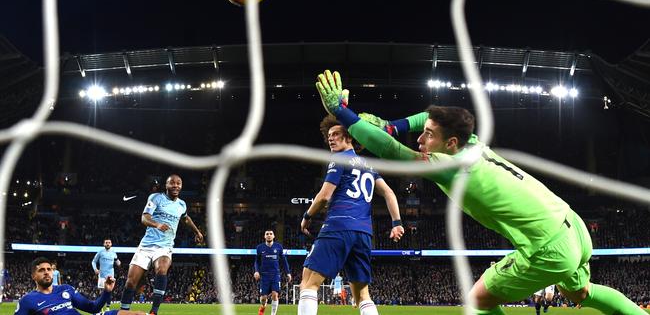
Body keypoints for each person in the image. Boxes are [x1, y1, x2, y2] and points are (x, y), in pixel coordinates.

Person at [316, 69, 646, 315]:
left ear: (451, 144)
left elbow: (391, 151)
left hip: (550, 247)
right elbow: (429, 117)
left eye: (428, 136)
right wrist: (395, 125)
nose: (421, 139)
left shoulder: (450, 164)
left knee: (479, 299)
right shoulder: (474, 145)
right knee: (581, 294)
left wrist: (346, 114)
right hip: (573, 228)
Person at [297, 114, 405, 315]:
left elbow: (324, 196)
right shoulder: (370, 166)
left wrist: (307, 216)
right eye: (329, 135)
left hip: (338, 227)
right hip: (363, 234)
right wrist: (396, 222)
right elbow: (389, 192)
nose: (330, 138)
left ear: (349, 137)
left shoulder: (339, 159)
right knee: (363, 295)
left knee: (308, 283)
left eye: (336, 134)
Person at [119, 174, 204, 315]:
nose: (176, 185)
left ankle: (154, 311)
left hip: (165, 246)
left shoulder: (181, 204)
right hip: (146, 246)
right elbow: (144, 218)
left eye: (178, 183)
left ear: (181, 186)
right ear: (166, 185)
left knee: (162, 268)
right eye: (172, 183)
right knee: (130, 283)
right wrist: (157, 224)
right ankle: (123, 311)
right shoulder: (156, 198)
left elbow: (186, 218)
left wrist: (197, 232)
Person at [14, 257, 145, 315]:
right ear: (33, 276)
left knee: (137, 314)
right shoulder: (27, 300)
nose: (47, 272)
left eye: (49, 269)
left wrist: (106, 291)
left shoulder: (65, 289)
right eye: (41, 270)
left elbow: (93, 308)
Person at [254, 229, 292, 315]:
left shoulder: (278, 247)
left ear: (274, 236)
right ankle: (263, 306)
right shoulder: (260, 248)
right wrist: (256, 271)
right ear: (264, 236)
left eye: (271, 234)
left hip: (275, 275)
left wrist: (288, 273)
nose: (269, 235)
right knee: (263, 298)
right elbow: (257, 261)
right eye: (267, 234)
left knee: (275, 294)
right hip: (264, 276)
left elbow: (284, 261)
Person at [93, 238, 121, 311]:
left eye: (109, 242)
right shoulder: (100, 252)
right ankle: (100, 307)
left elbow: (118, 263)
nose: (108, 244)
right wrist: (95, 269)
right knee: (101, 292)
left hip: (110, 275)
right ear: (104, 244)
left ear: (111, 244)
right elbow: (93, 261)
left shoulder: (114, 253)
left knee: (109, 291)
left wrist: (118, 262)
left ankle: (108, 307)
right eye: (106, 242)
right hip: (102, 275)